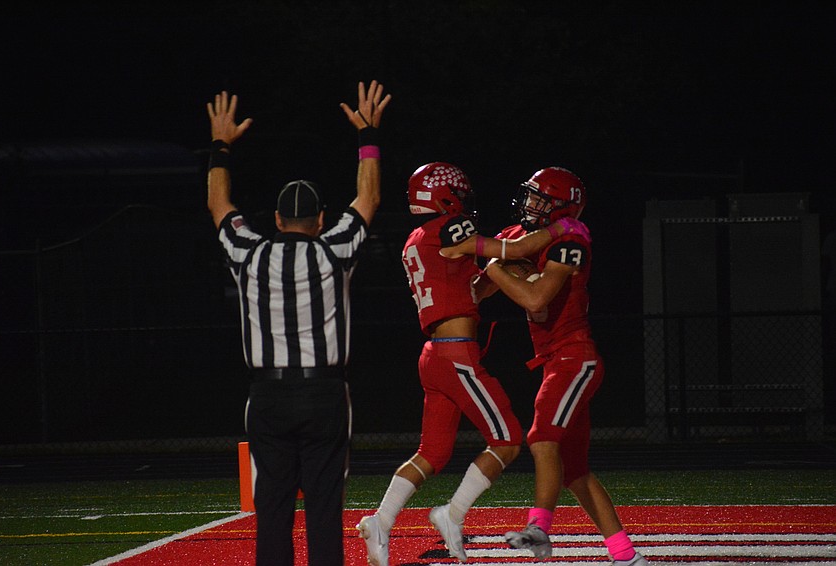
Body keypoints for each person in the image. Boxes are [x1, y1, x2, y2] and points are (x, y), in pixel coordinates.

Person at [205, 81, 391, 566]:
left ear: (277, 218)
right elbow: (368, 197)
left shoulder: (249, 253)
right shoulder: (334, 249)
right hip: (324, 392)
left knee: (272, 507)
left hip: (266, 395)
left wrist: (221, 145)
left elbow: (218, 206)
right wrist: (368, 134)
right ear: (320, 218)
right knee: (325, 507)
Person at [357, 162, 576, 565]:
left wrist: (497, 271)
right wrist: (562, 230)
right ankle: (452, 514)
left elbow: (472, 289)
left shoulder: (416, 238)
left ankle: (380, 521)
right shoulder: (448, 227)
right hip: (456, 354)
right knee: (508, 440)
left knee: (432, 454)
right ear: (445, 197)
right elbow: (513, 251)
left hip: (433, 355)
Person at [481, 167, 649, 565]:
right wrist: (487, 263)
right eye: (532, 196)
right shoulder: (519, 237)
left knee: (541, 437)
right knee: (575, 472)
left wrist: (495, 267)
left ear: (562, 207)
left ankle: (539, 529)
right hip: (555, 360)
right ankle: (626, 556)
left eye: (540, 199)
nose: (531, 204)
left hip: (575, 356)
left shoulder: (571, 239)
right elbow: (478, 291)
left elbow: (536, 299)